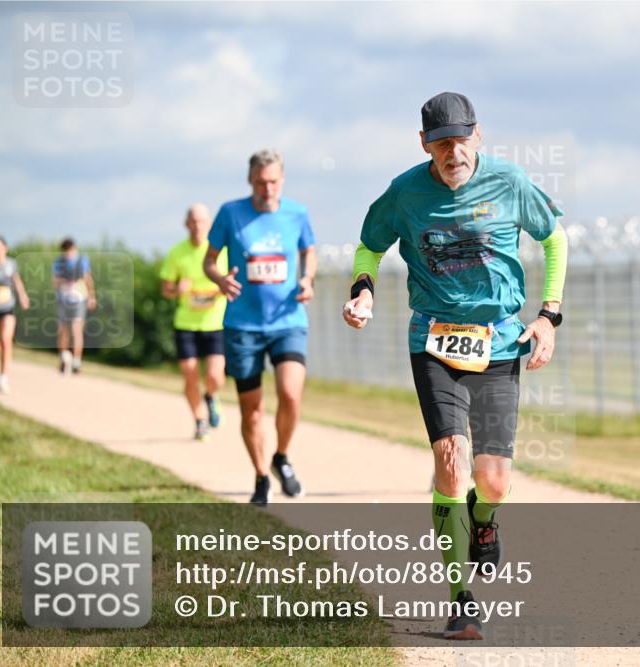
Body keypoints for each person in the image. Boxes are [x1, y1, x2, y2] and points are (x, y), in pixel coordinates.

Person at [342, 92, 568, 640]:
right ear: (424, 144)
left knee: (491, 481)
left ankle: (482, 518)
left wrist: (548, 317)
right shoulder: (405, 192)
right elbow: (370, 246)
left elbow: (554, 238)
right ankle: (460, 599)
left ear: (477, 137)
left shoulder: (510, 182)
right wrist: (363, 292)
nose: (452, 152)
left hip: (499, 341)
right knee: (450, 457)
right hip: (434, 339)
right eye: (441, 143)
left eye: (460, 140)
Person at [204, 149, 317, 507]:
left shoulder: (297, 213)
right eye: (260, 182)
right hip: (243, 326)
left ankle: (281, 456)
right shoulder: (230, 213)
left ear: (281, 180)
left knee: (291, 394)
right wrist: (220, 279)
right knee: (251, 409)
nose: (267, 188)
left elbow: (308, 251)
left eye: (273, 181)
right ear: (250, 181)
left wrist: (308, 279)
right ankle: (261, 476)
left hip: (288, 321)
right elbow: (209, 261)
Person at [160, 204, 228, 441]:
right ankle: (200, 421)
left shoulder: (222, 251)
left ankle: (211, 396)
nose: (198, 226)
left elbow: (233, 280)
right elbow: (165, 289)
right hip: (186, 324)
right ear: (186, 224)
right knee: (190, 374)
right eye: (193, 221)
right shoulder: (177, 252)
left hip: (215, 322)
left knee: (215, 376)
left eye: (202, 221)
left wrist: (223, 287)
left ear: (209, 224)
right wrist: (177, 289)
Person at [0, 237, 31, 393]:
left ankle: (3, 378)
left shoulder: (11, 264)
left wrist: (23, 296)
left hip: (7, 307)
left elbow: (16, 281)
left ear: (5, 248)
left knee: (5, 341)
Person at [53, 238, 96, 374]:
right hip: (64, 300)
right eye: (66, 250)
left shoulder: (82, 261)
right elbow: (54, 281)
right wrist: (64, 280)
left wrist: (91, 296)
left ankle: (77, 361)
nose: (68, 252)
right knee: (63, 331)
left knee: (77, 330)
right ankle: (63, 359)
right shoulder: (59, 263)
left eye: (70, 249)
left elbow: (88, 278)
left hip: (79, 299)